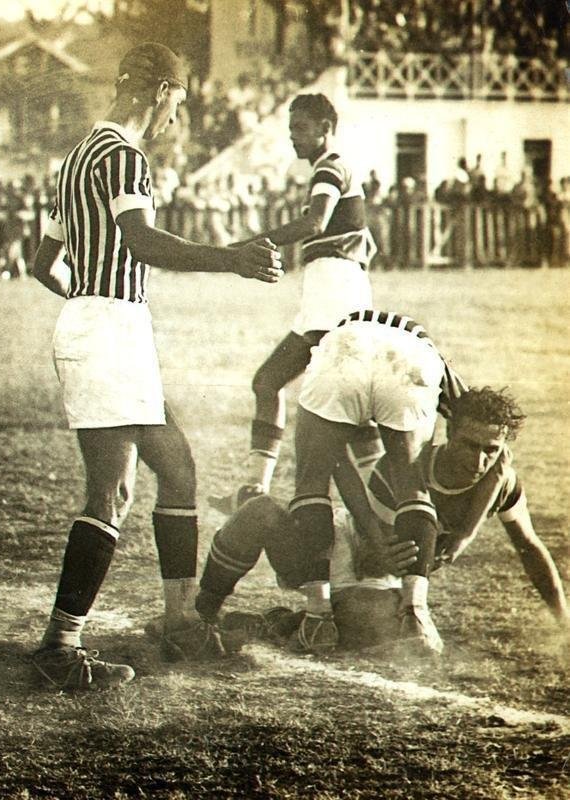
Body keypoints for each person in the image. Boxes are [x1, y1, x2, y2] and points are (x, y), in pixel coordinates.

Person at [27, 42, 283, 690]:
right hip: (110, 327)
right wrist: (231, 257)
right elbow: (139, 240)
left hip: (104, 323)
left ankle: (177, 620)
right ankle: (60, 647)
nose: (177, 115)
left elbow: (41, 262)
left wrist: (85, 300)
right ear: (161, 92)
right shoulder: (123, 156)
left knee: (176, 466)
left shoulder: (78, 157)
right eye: (179, 100)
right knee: (112, 490)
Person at [193, 387, 569, 655]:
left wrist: (562, 622)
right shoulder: (408, 469)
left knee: (377, 631)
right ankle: (199, 616)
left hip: (387, 578)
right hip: (338, 552)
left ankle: (278, 622)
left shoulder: (501, 484)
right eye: (470, 445)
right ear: (449, 431)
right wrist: (459, 537)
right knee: (259, 512)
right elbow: (379, 556)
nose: (479, 461)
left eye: (492, 451)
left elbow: (530, 547)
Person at [282, 309, 467, 655]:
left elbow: (335, 459)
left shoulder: (342, 329)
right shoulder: (427, 352)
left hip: (344, 351)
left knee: (312, 479)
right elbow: (470, 412)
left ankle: (318, 617)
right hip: (411, 360)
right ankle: (414, 612)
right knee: (412, 482)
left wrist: (370, 529)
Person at [224, 93, 376, 511]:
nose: (294, 138)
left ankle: (377, 509)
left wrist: (250, 245)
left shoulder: (330, 166)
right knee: (271, 383)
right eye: (291, 129)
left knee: (334, 408)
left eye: (301, 129)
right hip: (327, 291)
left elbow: (315, 223)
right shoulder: (332, 167)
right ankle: (254, 489)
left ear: (326, 129)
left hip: (334, 292)